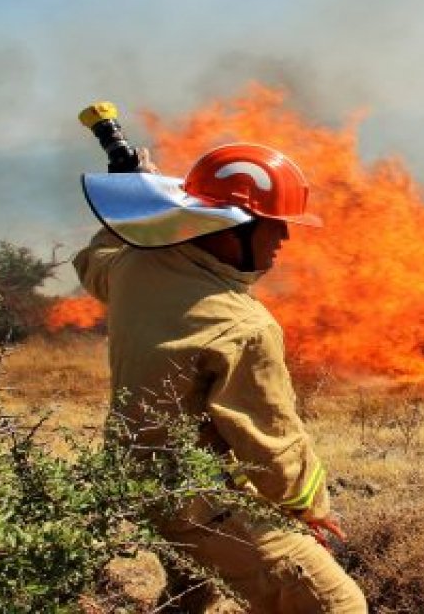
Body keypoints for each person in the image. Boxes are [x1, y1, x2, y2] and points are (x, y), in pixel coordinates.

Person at [73, 143, 367, 613]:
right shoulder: (241, 325)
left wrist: (135, 200)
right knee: (335, 604)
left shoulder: (136, 266)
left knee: (194, 596)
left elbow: (97, 261)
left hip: (135, 475)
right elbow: (271, 440)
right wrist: (311, 508)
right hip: (194, 498)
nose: (285, 240)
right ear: (232, 228)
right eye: (276, 226)